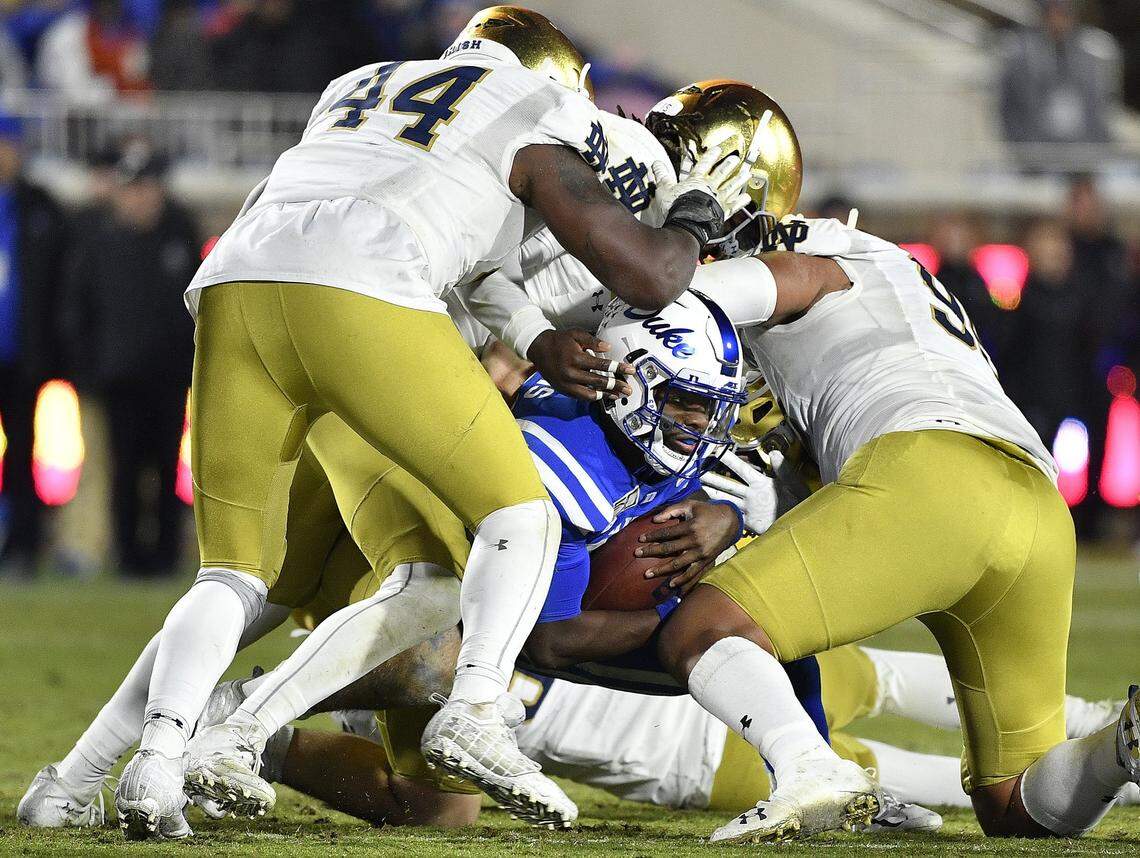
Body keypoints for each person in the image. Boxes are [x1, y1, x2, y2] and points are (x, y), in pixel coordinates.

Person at [112, 4, 752, 839]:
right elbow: (653, 274)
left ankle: (144, 767)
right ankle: (476, 708)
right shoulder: (542, 110)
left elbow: (419, 218)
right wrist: (696, 210)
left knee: (230, 575)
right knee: (515, 515)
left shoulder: (361, 82)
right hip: (366, 288)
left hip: (234, 283)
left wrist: (530, 336)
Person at [634, 86, 1139, 843]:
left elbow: (699, 295)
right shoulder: (896, 271)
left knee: (704, 630)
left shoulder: (817, 251)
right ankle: (1123, 746)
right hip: (1033, 509)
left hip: (929, 476)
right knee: (1011, 806)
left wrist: (607, 291)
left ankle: (811, 768)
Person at [58, 142, 199, 578]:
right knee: (123, 471)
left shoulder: (180, 235)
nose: (140, 197)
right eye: (132, 189)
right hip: (118, 378)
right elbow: (77, 308)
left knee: (165, 469)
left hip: (168, 377)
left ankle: (162, 557)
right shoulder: (99, 242)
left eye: (147, 188)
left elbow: (199, 308)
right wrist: (87, 369)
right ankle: (127, 556)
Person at [0, 111, 67, 578]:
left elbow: (60, 284)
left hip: (21, 355)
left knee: (23, 451)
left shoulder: (40, 207)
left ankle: (23, 546)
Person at [998, 0, 1120, 152]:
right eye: (1052, 14)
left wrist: (1098, 149)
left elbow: (1103, 107)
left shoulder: (1092, 53)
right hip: (1034, 153)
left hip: (1083, 153)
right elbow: (1008, 107)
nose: (1057, 21)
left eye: (1063, 14)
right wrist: (1021, 148)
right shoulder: (1019, 56)